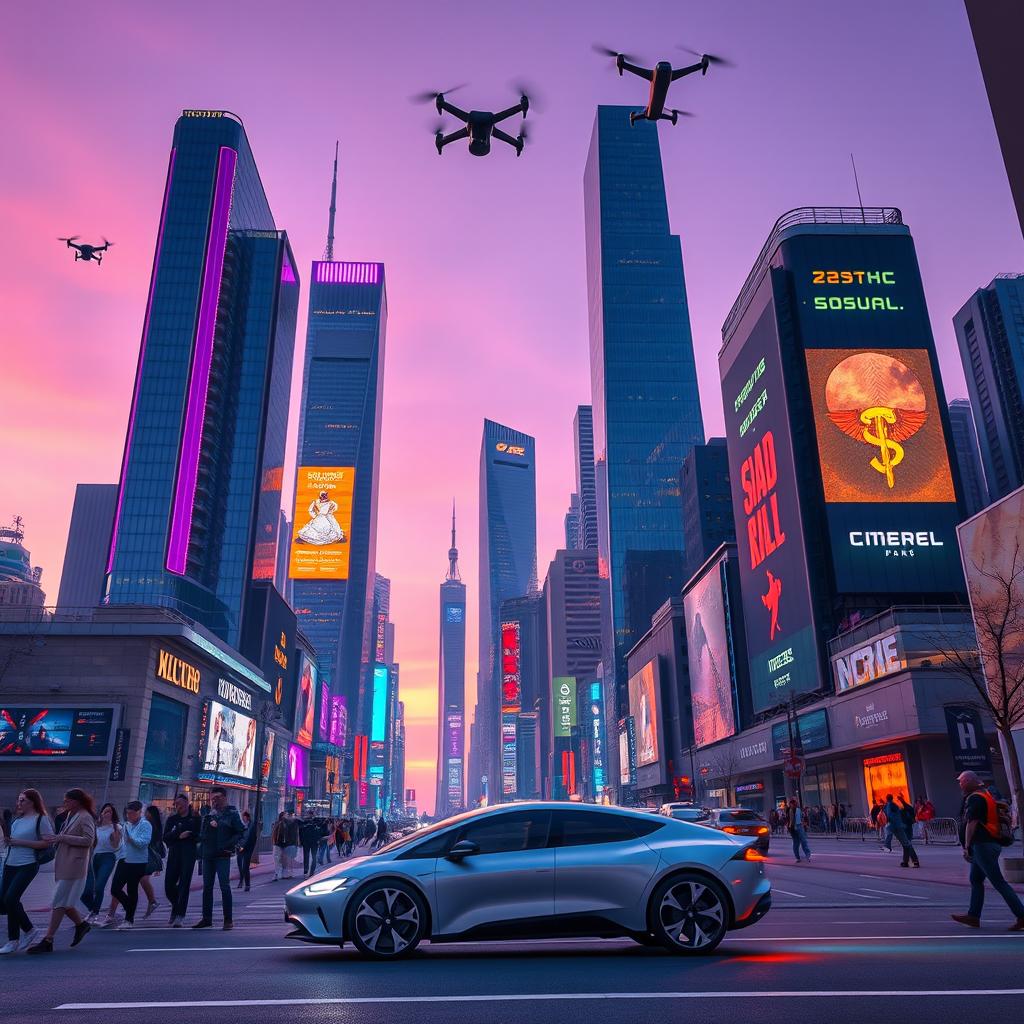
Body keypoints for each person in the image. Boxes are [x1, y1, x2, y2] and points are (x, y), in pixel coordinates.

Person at [951, 770, 1024, 931]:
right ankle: (973, 916)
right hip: (986, 844)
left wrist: (967, 846)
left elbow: (972, 822)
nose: (960, 784)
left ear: (970, 781)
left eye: (961, 781)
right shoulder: (985, 795)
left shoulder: (976, 798)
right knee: (976, 880)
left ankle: (1022, 915)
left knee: (998, 882)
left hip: (982, 845)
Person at [27, 788, 97, 953]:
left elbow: (89, 840)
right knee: (63, 901)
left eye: (67, 800)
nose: (64, 803)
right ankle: (81, 925)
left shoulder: (85, 816)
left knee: (59, 901)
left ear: (76, 801)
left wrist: (62, 837)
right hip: (65, 864)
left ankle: (48, 939)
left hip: (74, 865)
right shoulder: (70, 815)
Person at [0, 789, 55, 954]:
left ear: (32, 801)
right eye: (19, 800)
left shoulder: (41, 819)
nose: (19, 803)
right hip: (10, 863)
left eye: (22, 800)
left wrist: (19, 842)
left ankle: (24, 934)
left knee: (11, 899)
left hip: (28, 864)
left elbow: (47, 842)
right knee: (7, 901)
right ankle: (19, 937)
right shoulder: (18, 819)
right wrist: (9, 842)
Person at [194, 786, 244, 930]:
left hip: (222, 854)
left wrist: (221, 829)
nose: (214, 801)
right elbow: (203, 832)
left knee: (224, 886)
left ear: (224, 798)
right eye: (213, 798)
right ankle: (206, 918)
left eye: (217, 798)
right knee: (207, 887)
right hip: (208, 854)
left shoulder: (232, 813)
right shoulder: (209, 813)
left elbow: (240, 832)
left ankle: (228, 919)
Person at [106, 801, 152, 930]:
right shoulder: (126, 825)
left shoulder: (145, 825)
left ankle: (129, 919)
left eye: (131, 813)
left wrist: (131, 839)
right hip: (124, 859)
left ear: (138, 812)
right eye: (127, 813)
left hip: (137, 862)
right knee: (115, 889)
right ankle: (129, 908)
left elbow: (144, 843)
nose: (129, 816)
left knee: (132, 889)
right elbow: (119, 843)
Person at [163, 794, 200, 927]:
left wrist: (190, 835)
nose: (178, 806)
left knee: (184, 885)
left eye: (180, 803)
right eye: (176, 804)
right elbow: (166, 837)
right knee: (169, 885)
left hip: (188, 854)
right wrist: (177, 835)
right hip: (174, 853)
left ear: (186, 803)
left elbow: (200, 835)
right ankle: (175, 905)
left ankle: (180, 914)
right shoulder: (172, 819)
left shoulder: (195, 818)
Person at [83, 803, 121, 922]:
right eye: (105, 811)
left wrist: (114, 838)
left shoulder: (116, 827)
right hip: (94, 857)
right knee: (84, 891)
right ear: (101, 813)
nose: (107, 814)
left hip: (108, 857)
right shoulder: (96, 827)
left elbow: (115, 847)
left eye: (110, 811)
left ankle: (95, 913)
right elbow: (90, 844)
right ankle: (92, 909)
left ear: (113, 814)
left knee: (99, 887)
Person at [140, 805, 164, 919]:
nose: (145, 813)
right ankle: (152, 902)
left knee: (143, 879)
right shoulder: (151, 824)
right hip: (146, 856)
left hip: (149, 857)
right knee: (142, 879)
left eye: (147, 812)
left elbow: (155, 844)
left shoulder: (150, 825)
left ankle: (152, 901)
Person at [882, 793, 919, 867]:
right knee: (906, 845)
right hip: (904, 827)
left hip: (904, 828)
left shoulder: (900, 809)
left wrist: (902, 801)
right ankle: (906, 861)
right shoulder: (901, 809)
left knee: (907, 845)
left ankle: (914, 861)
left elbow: (890, 814)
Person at [272, 810, 299, 880]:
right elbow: (274, 833)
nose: (287, 816)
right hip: (279, 843)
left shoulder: (288, 823)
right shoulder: (280, 823)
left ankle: (281, 874)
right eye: (286, 815)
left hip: (283, 844)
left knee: (282, 860)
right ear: (282, 816)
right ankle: (278, 874)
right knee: (278, 859)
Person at [236, 811, 257, 892]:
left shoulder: (251, 826)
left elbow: (252, 838)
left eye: (244, 817)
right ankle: (241, 880)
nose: (243, 818)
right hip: (239, 847)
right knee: (240, 865)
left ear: (247, 817)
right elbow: (238, 835)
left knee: (245, 866)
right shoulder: (241, 825)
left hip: (247, 848)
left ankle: (247, 884)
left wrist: (248, 847)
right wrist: (238, 845)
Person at [787, 798, 811, 862]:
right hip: (793, 828)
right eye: (793, 804)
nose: (794, 805)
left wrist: (804, 824)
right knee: (797, 842)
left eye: (795, 804)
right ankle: (798, 857)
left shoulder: (798, 810)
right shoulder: (789, 810)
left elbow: (801, 817)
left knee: (803, 841)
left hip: (799, 826)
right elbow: (789, 820)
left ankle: (807, 855)